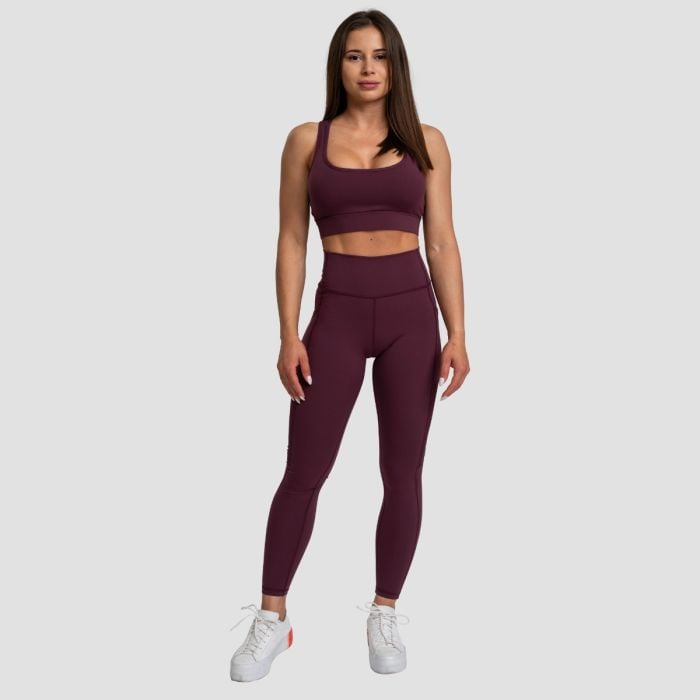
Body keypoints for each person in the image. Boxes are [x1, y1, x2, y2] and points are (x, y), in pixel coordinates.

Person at [229, 9, 469, 681]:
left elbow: (441, 241)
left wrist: (458, 332)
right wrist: (287, 334)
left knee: (403, 472)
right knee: (304, 471)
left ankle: (384, 611)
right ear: (338, 65)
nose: (368, 67)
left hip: (411, 317)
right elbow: (291, 239)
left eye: (380, 55)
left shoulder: (427, 141)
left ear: (396, 66)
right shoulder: (307, 140)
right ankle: (273, 618)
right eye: (355, 55)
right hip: (335, 315)